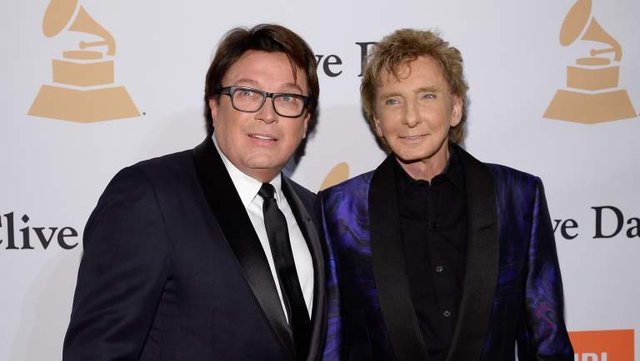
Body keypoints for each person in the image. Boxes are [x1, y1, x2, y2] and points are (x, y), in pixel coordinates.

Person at [63, 23, 335, 361]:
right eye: (247, 93)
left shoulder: (315, 211)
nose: (268, 114)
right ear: (215, 106)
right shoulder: (149, 196)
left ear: (306, 120)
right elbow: (99, 352)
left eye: (288, 98)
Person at [320, 28, 574, 361]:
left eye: (427, 96)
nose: (411, 118)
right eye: (393, 101)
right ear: (377, 121)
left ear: (455, 107)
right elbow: (334, 344)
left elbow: (546, 338)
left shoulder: (518, 197)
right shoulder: (340, 209)